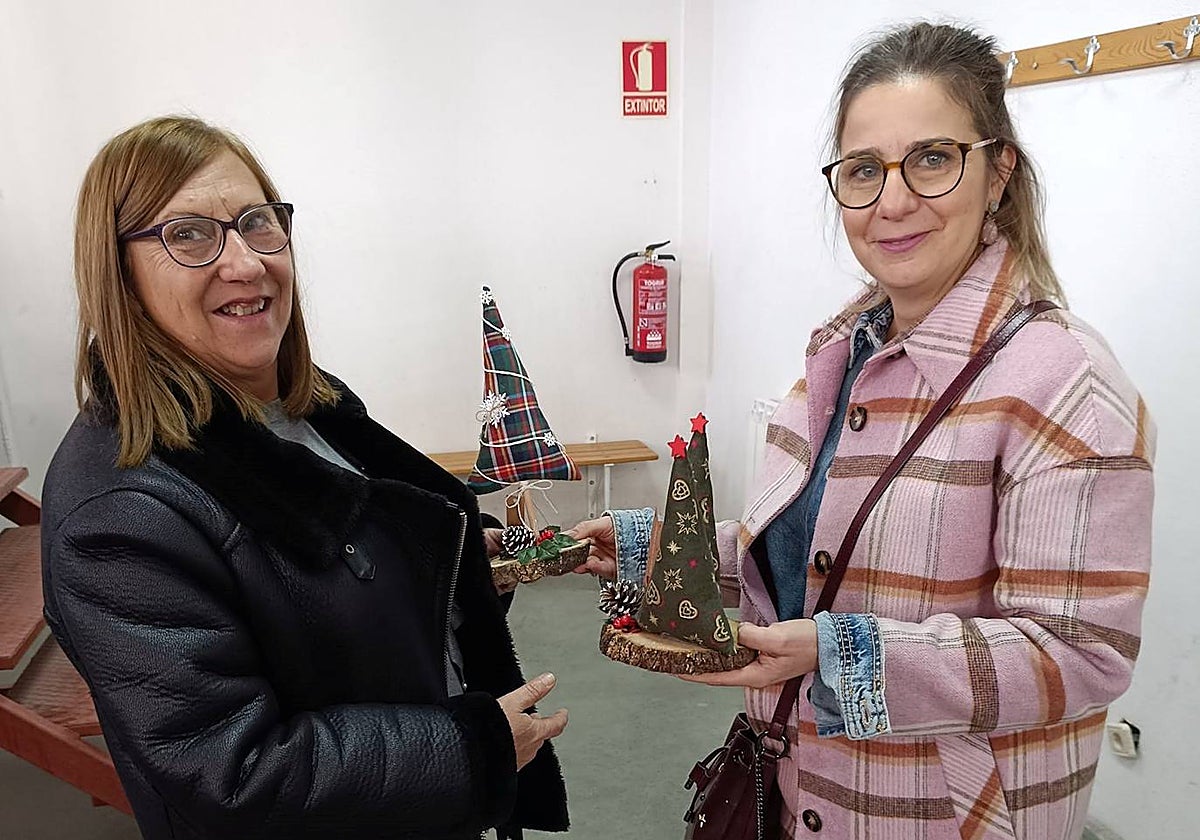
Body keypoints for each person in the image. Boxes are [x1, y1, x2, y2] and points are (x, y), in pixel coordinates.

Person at [571, 22, 1153, 840]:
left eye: (932, 159)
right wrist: (657, 551)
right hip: (800, 789)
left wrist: (843, 658)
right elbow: (811, 565)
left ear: (998, 172)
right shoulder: (840, 355)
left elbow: (1082, 653)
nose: (893, 201)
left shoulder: (1065, 384)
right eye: (864, 169)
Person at [41, 115, 569, 840]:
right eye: (188, 234)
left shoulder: (303, 402)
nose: (246, 262)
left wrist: (460, 556)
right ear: (120, 275)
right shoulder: (118, 512)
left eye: (257, 222)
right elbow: (235, 772)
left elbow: (332, 572)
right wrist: (469, 752)